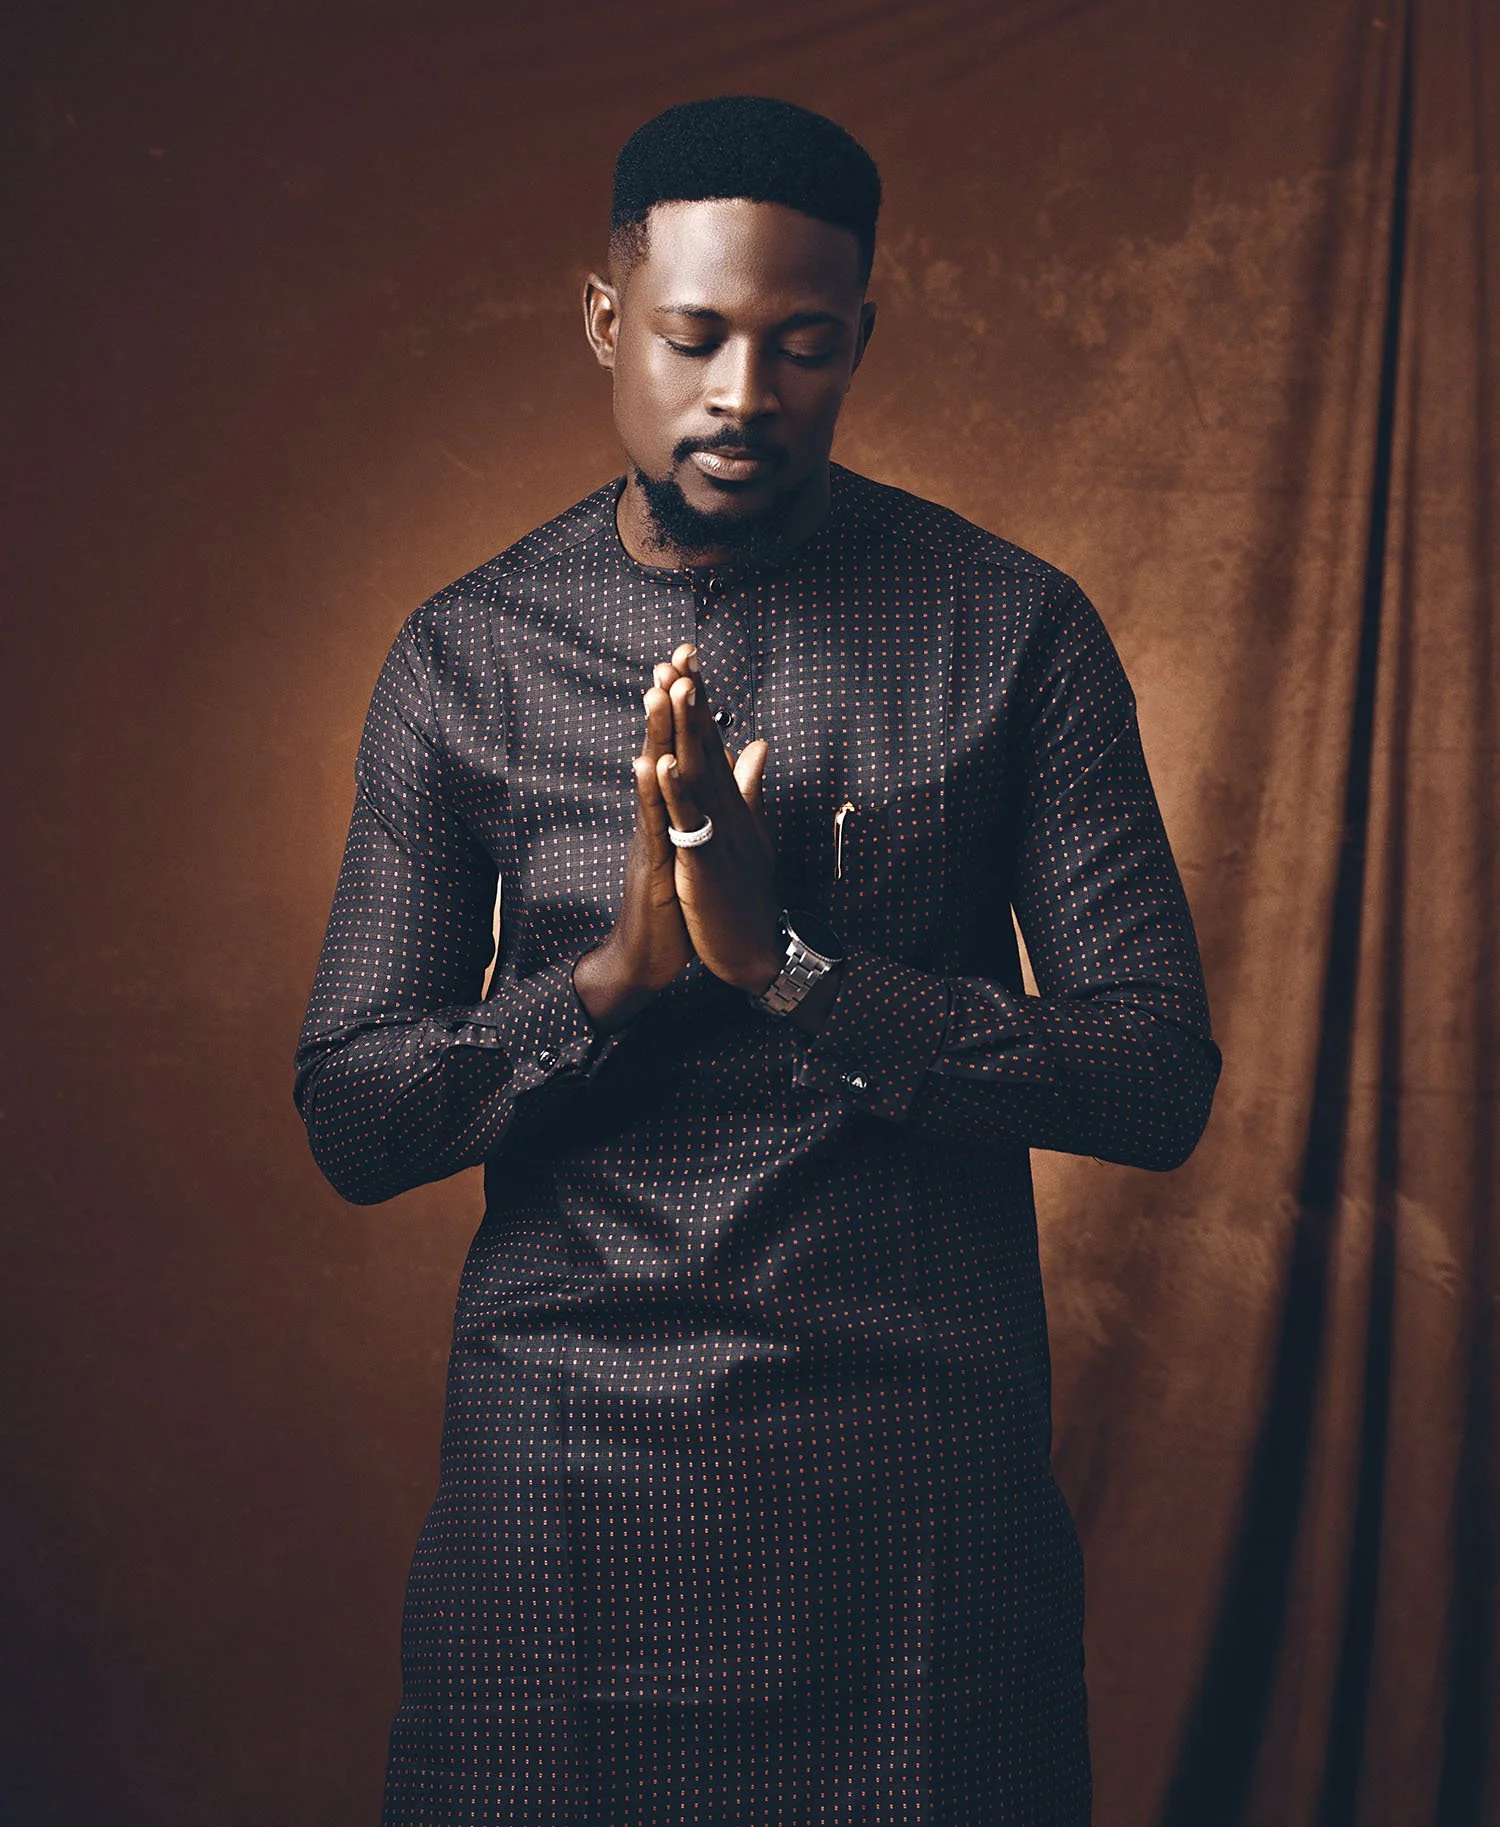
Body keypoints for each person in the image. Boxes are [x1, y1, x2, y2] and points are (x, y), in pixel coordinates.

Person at [295, 95, 1220, 1827]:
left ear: (860, 338)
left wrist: (796, 969)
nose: (743, 393)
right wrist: (612, 981)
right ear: (606, 322)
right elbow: (352, 1112)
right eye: (695, 336)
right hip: (564, 1488)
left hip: (920, 1499)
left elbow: (1157, 1071)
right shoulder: (466, 658)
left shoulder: (1009, 627)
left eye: (801, 345)